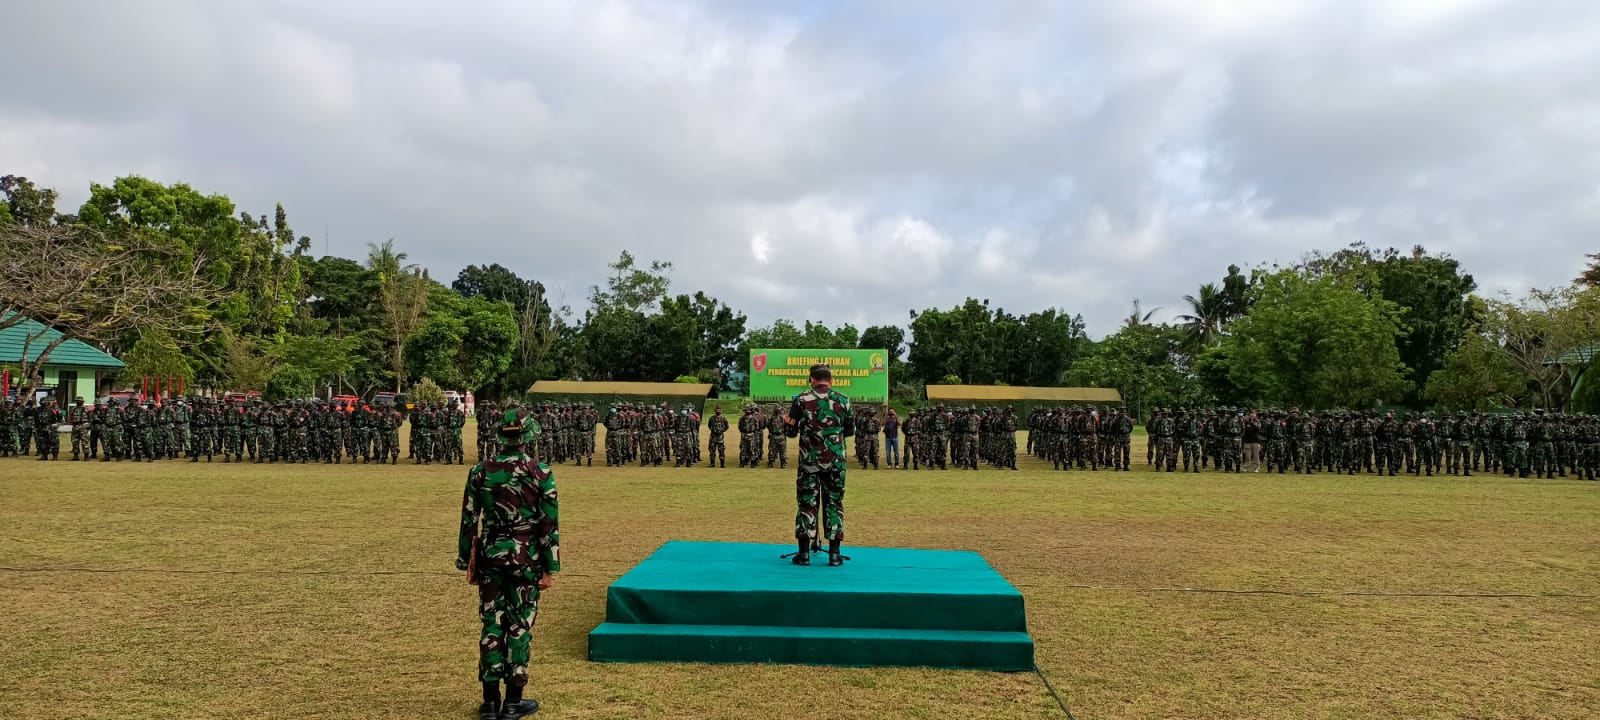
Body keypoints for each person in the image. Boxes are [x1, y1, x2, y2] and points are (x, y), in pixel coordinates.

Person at [457, 408, 560, 720]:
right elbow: (548, 524)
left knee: (492, 625)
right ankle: (513, 703)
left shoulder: (480, 472)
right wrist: (550, 567)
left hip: (491, 555)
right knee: (519, 626)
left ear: (501, 436)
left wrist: (466, 559)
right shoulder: (541, 472)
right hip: (525, 557)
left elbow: (468, 521)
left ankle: (490, 703)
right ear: (527, 438)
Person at [786, 363, 853, 566]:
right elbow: (849, 430)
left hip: (809, 463)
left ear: (812, 380)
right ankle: (834, 554)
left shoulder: (801, 400)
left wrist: (788, 422)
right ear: (831, 380)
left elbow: (790, 432)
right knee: (834, 503)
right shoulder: (843, 400)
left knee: (807, 504)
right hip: (835, 463)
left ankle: (804, 554)